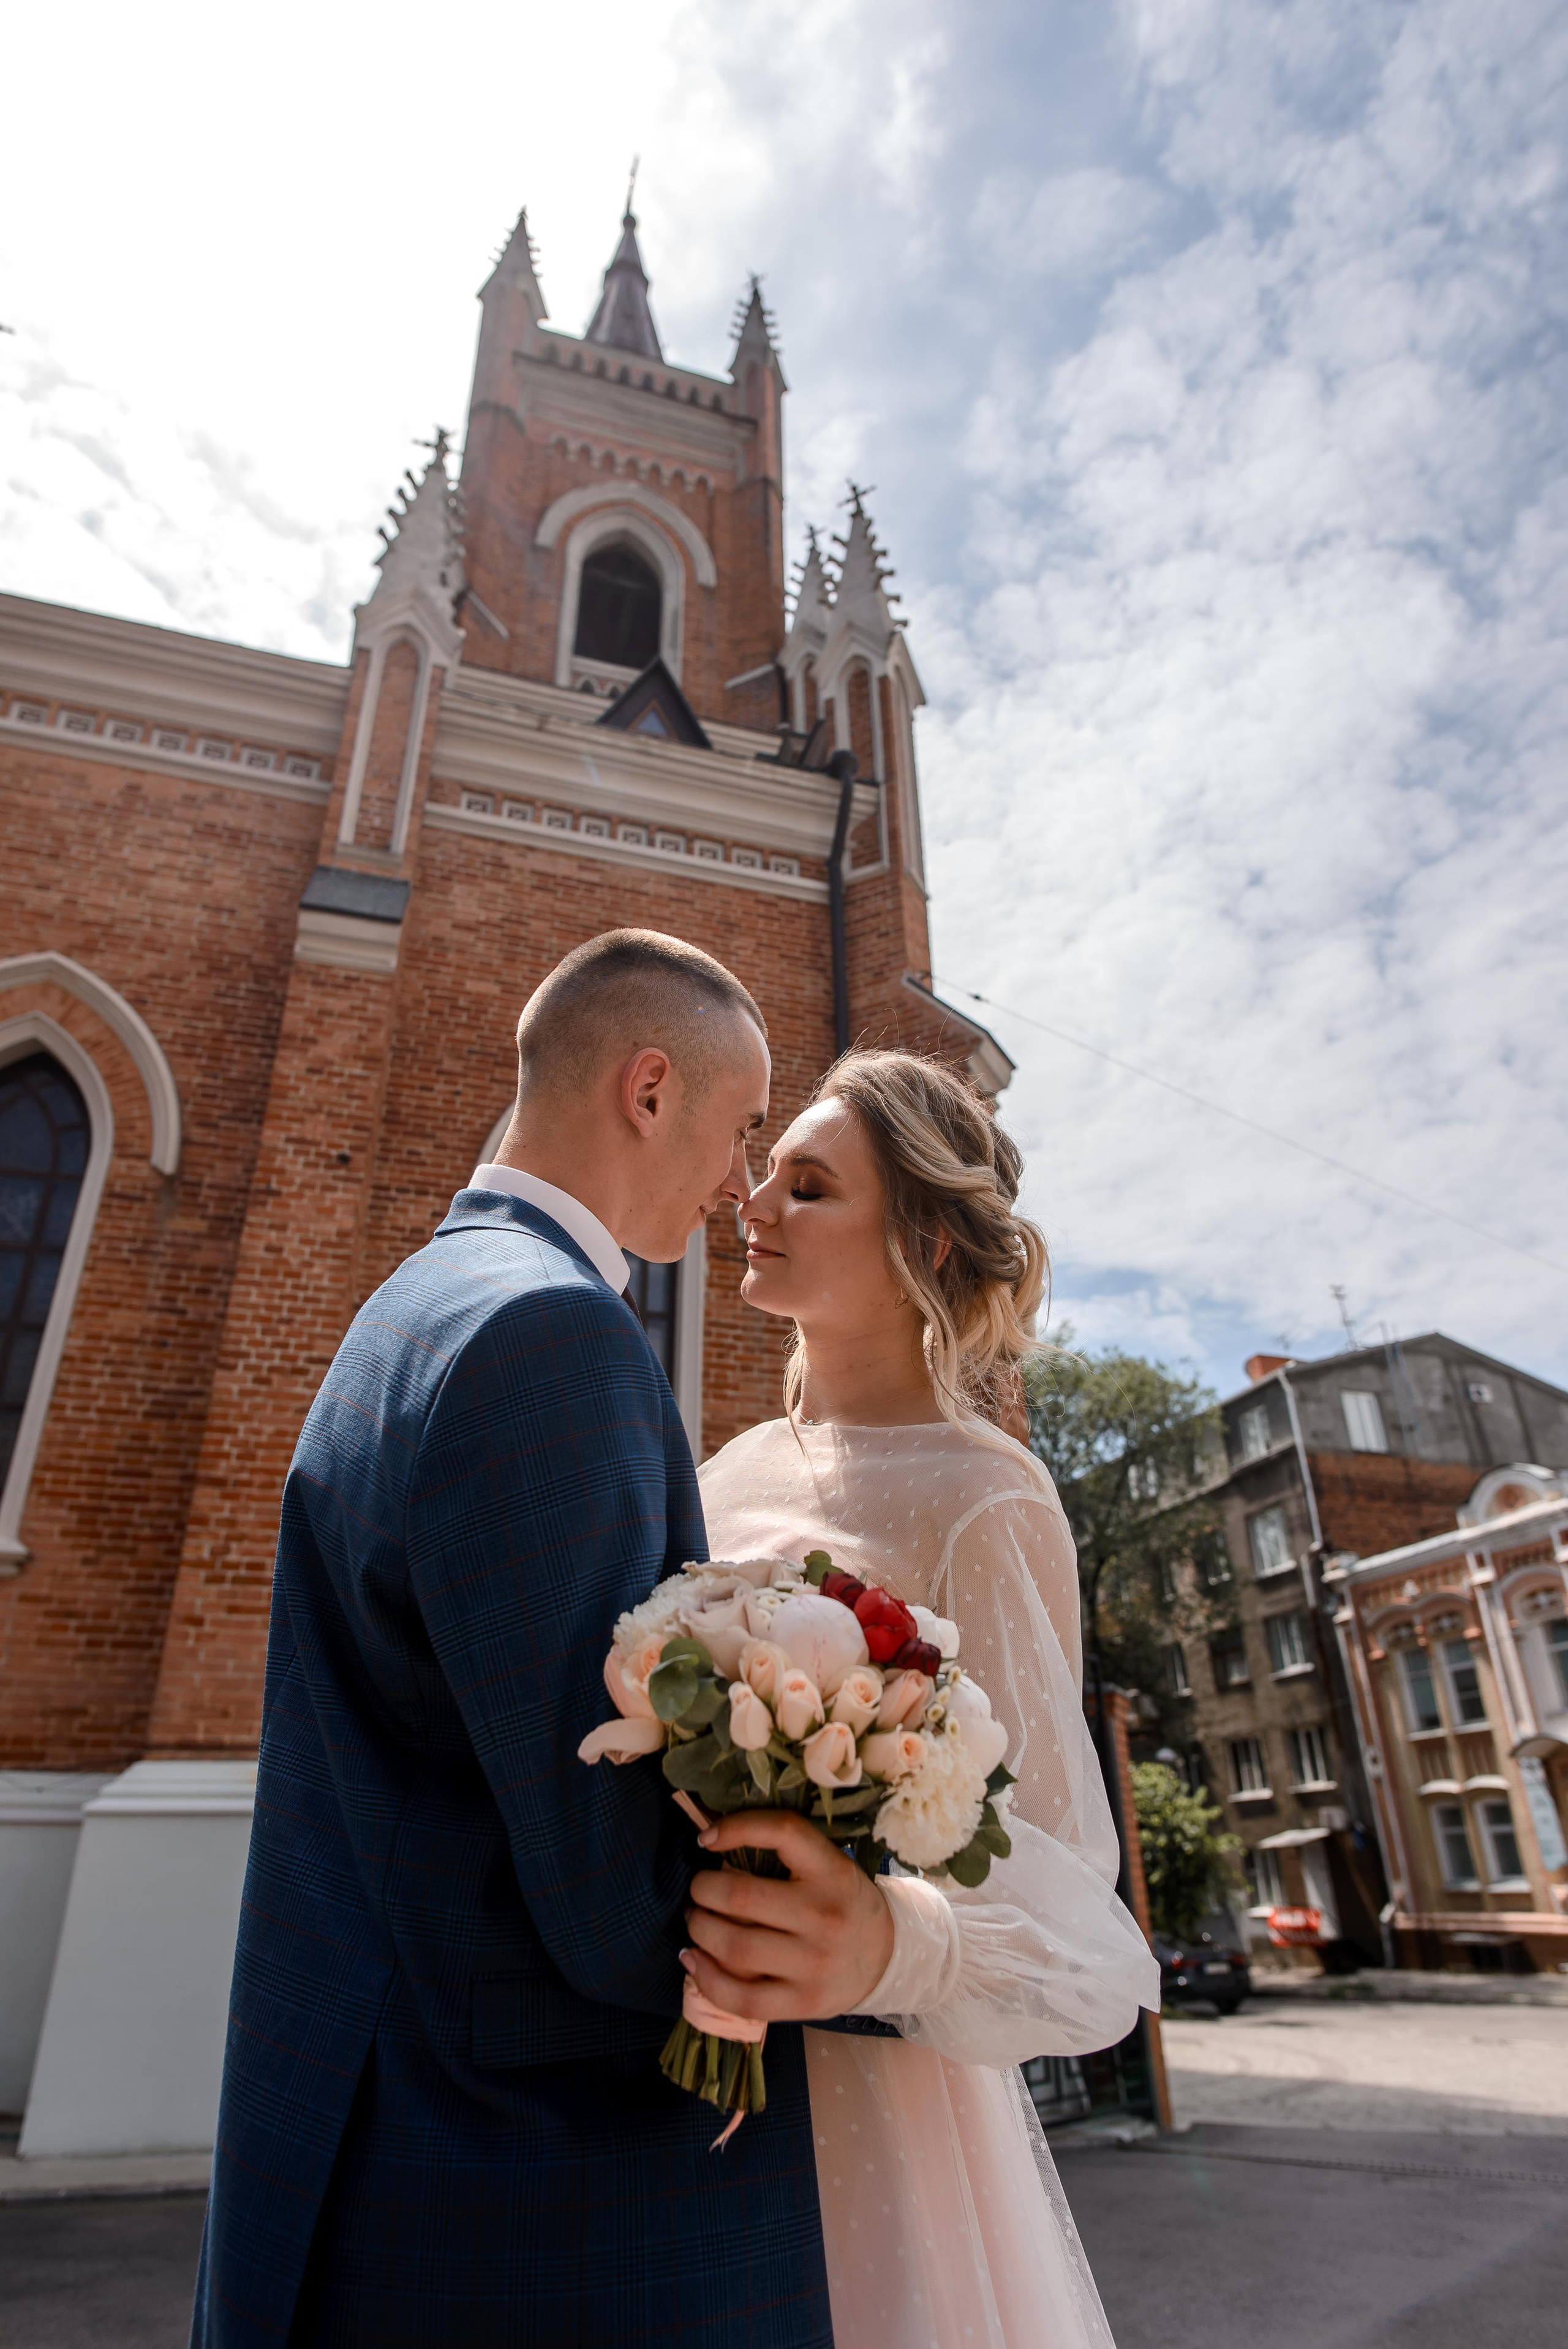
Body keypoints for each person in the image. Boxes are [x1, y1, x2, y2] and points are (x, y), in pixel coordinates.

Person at [192, 930, 895, 2349]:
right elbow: (602, 1883)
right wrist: (892, 1959)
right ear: (650, 1089)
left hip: (387, 2110)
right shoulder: (549, 1337)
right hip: (517, 2186)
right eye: (740, 1126)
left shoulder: (418, 1306)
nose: (737, 1184)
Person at [691, 1048, 1160, 2349]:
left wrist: (895, 1943)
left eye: (811, 1187)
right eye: (768, 1174)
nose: (756, 1202)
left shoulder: (986, 1496)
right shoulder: (721, 1472)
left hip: (871, 2112)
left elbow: (1077, 1923)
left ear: (929, 1242)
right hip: (671, 2061)